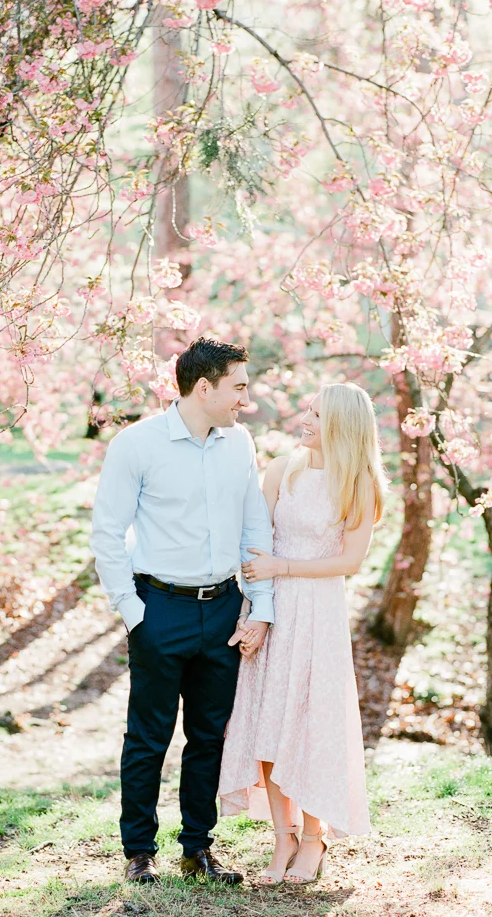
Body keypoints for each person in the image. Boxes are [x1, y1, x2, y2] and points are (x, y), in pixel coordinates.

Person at [90, 337, 274, 885]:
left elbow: (254, 527)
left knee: (209, 737)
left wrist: (260, 607)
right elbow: (107, 533)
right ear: (204, 388)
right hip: (159, 609)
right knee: (148, 738)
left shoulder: (239, 443)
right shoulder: (136, 444)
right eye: (238, 387)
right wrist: (133, 612)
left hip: (223, 610)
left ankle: (198, 848)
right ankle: (139, 851)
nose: (245, 399)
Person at [218, 382, 387, 884]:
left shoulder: (358, 484)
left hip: (319, 616)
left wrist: (284, 567)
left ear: (341, 426)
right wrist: (256, 610)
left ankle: (314, 839)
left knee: (311, 728)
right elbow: (254, 541)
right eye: (308, 411)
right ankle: (283, 836)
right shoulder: (281, 470)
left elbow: (350, 561)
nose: (305, 420)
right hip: (273, 609)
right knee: (268, 726)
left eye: (316, 415)